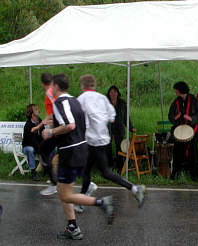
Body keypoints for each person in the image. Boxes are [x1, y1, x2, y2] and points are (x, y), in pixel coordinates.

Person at [42, 73, 113, 240]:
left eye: (52, 86)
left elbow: (70, 125)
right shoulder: (75, 101)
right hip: (82, 148)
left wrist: (50, 131)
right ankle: (72, 226)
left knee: (65, 195)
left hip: (70, 152)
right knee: (62, 188)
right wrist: (55, 123)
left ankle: (102, 203)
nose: (51, 88)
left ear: (56, 87)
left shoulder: (59, 102)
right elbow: (76, 122)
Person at [77, 74, 145, 208]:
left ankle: (135, 189)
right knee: (87, 170)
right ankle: (83, 199)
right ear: (93, 85)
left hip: (92, 141)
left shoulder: (81, 99)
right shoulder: (102, 98)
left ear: (82, 86)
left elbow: (82, 122)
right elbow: (112, 115)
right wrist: (107, 119)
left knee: (102, 172)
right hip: (102, 139)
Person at [168, 81, 198, 181]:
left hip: (192, 130)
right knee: (177, 153)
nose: (175, 92)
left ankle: (195, 175)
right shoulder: (176, 102)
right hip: (179, 130)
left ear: (180, 90)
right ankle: (175, 173)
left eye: (176, 90)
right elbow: (170, 116)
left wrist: (192, 118)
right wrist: (176, 117)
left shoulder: (194, 100)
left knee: (193, 153)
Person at [37, 72, 58, 195]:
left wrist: (50, 129)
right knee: (67, 155)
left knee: (43, 150)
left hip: (59, 128)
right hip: (61, 127)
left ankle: (53, 183)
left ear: (42, 83)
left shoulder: (49, 94)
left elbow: (55, 113)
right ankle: (87, 181)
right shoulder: (56, 90)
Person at [106, 85, 136, 172]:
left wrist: (131, 127)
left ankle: (120, 166)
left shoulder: (122, 103)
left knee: (119, 147)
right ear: (109, 94)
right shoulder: (106, 103)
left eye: (115, 92)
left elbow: (126, 117)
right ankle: (109, 165)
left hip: (119, 128)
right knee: (108, 147)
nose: (113, 94)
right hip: (108, 128)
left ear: (118, 93)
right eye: (111, 92)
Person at [22, 104, 43, 181]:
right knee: (30, 149)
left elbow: (42, 136)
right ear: (31, 113)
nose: (39, 110)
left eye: (38, 108)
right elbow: (31, 141)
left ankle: (49, 170)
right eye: (36, 109)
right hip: (27, 146)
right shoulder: (28, 125)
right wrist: (39, 149)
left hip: (37, 146)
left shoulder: (40, 121)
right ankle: (33, 172)